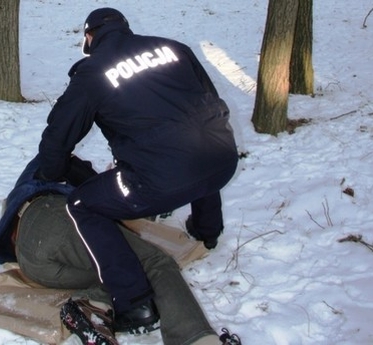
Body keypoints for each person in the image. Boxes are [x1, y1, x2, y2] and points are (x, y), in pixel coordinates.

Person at [33, 7, 239, 333]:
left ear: (89, 37)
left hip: (160, 181)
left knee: (83, 205)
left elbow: (60, 134)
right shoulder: (173, 48)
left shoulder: (93, 72)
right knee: (194, 145)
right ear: (125, 29)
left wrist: (50, 171)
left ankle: (135, 302)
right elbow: (207, 102)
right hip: (223, 158)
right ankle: (207, 231)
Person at [0, 155, 241, 345]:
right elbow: (104, 199)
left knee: (125, 273)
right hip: (52, 218)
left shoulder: (28, 182)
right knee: (154, 263)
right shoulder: (58, 161)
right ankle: (198, 340)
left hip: (33, 265)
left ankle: (91, 306)